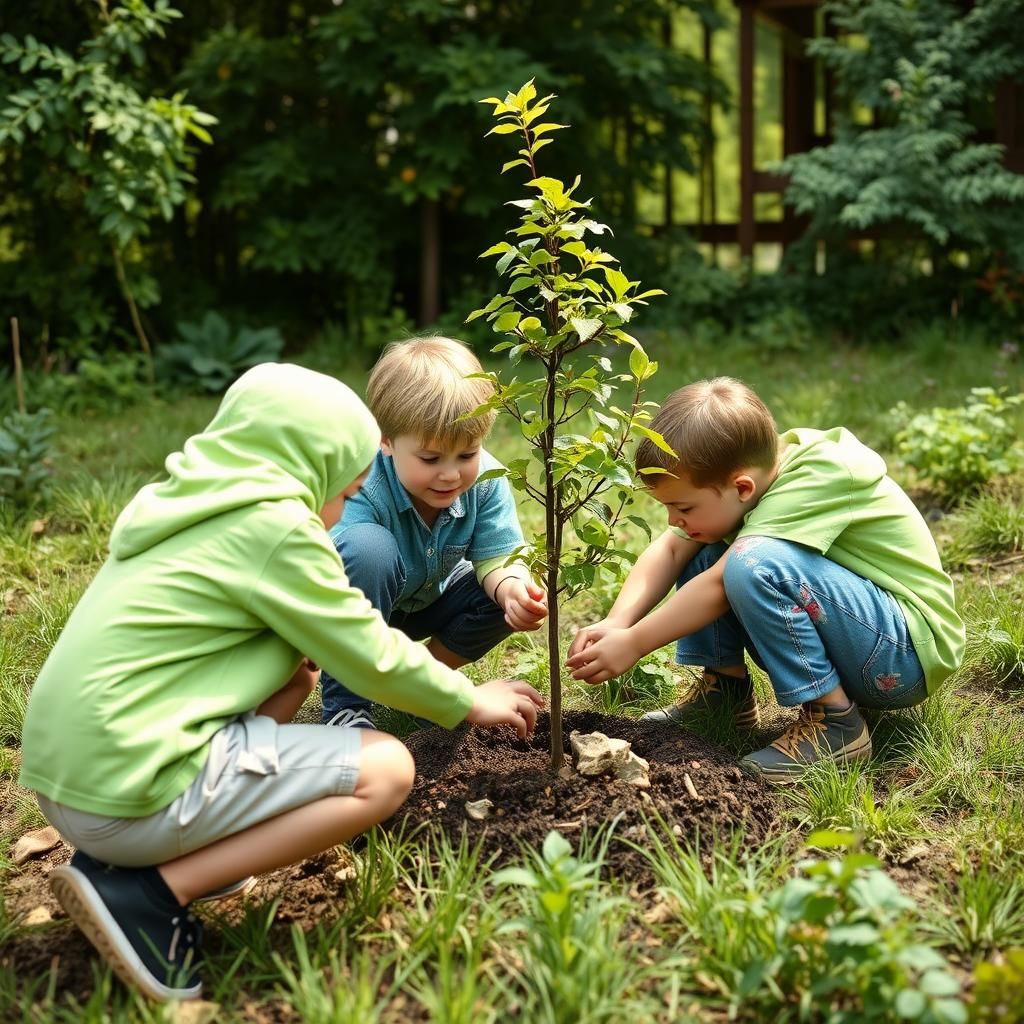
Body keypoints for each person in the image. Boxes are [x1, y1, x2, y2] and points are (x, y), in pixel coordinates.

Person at [19, 363, 543, 1002]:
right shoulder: (278, 532)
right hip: (129, 790)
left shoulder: (188, 505)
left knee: (290, 686)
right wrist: (466, 698)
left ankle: (136, 858)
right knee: (387, 771)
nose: (341, 510)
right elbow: (368, 653)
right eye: (346, 494)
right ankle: (149, 893)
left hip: (74, 777)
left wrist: (285, 692)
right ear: (312, 468)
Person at [566, 376, 964, 783]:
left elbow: (723, 581)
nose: (673, 519)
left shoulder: (820, 475)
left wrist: (635, 643)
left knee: (750, 562)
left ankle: (836, 724)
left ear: (742, 486)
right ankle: (726, 694)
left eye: (682, 505)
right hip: (860, 636)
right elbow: (671, 549)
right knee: (704, 545)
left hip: (903, 652)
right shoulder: (748, 485)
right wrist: (617, 623)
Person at [319, 336, 548, 729]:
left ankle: (425, 684)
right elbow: (345, 569)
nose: (450, 473)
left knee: (508, 587)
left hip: (430, 601)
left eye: (467, 454)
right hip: (363, 610)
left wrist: (512, 589)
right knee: (368, 548)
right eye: (430, 458)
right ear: (386, 441)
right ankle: (348, 706)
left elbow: (497, 556)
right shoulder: (363, 483)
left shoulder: (487, 480)